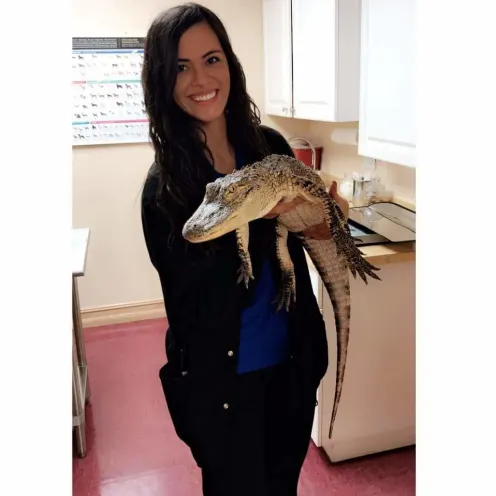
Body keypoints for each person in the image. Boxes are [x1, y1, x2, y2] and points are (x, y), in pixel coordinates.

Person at [140, 3, 349, 495]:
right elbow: (192, 307)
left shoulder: (269, 146)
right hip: (224, 392)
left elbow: (314, 238)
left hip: (293, 370)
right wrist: (255, 217)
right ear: (162, 81)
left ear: (230, 65)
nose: (200, 79)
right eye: (180, 67)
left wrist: (320, 215)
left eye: (211, 59)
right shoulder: (165, 191)